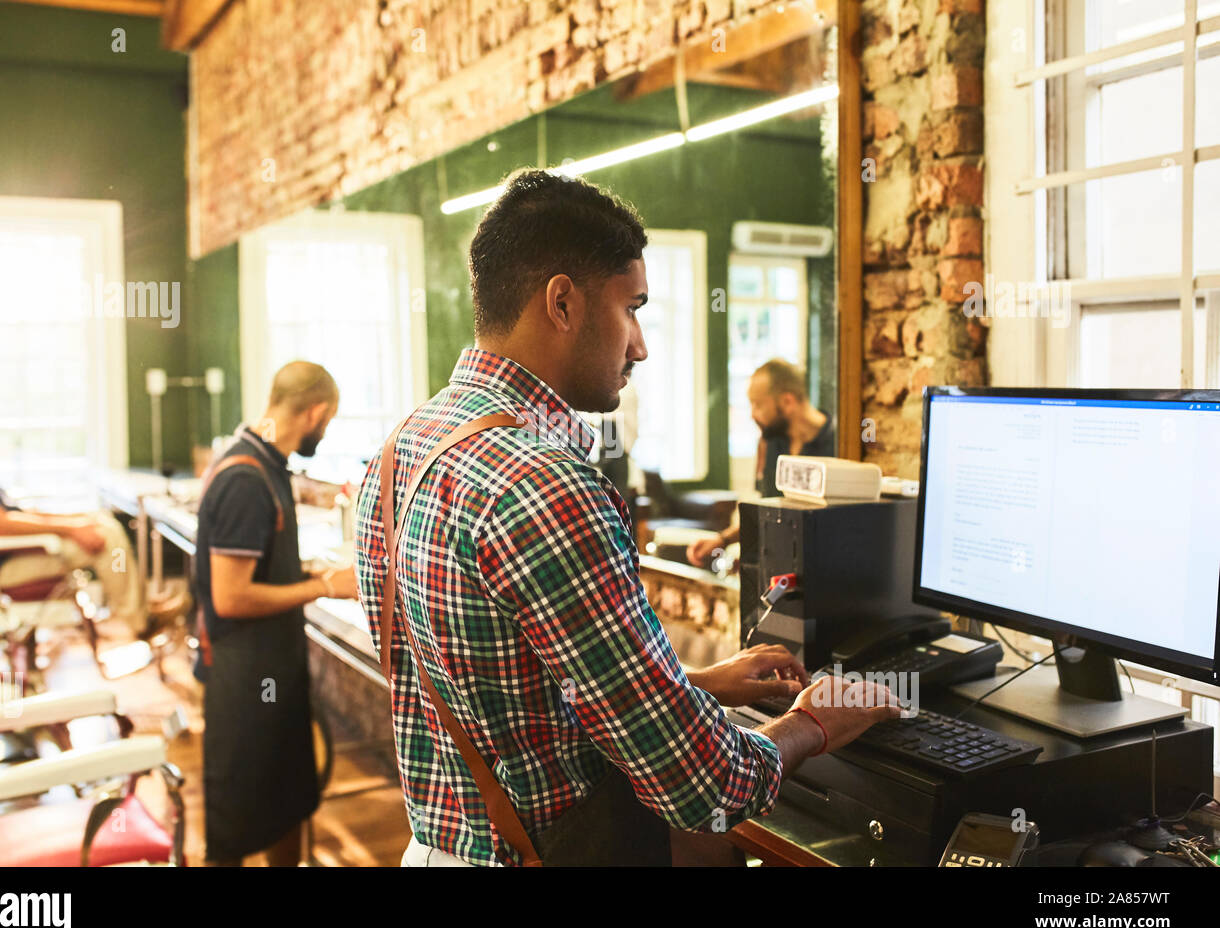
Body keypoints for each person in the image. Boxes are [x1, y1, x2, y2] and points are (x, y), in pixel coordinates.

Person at [354, 169, 899, 867]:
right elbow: (703, 784)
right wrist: (814, 723)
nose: (640, 344)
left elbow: (506, 700)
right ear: (562, 303)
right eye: (632, 308)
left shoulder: (400, 452)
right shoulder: (547, 487)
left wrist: (687, 686)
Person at [196, 361, 358, 867]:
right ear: (314, 412)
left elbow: (262, 564)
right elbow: (232, 597)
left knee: (286, 803)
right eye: (327, 422)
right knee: (238, 823)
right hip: (246, 679)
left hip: (274, 668)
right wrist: (325, 585)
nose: (324, 433)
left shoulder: (267, 464)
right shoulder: (246, 479)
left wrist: (304, 567)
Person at [0, 387, 147, 632]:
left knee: (101, 520)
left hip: (2, 555)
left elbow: (6, 513)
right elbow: (1, 525)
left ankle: (136, 612)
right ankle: (130, 623)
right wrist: (71, 529)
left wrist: (76, 519)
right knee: (109, 540)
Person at [686, 358, 835, 568]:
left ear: (787, 402)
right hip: (778, 571)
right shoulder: (770, 443)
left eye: (757, 404)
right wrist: (722, 540)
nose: (752, 414)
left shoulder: (838, 444)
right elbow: (767, 512)